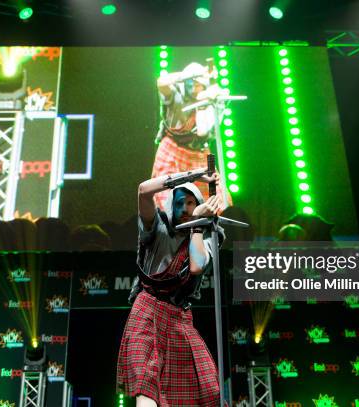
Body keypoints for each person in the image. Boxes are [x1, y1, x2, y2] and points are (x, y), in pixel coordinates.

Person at [117, 167, 224, 407]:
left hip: (179, 319)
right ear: (171, 207)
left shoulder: (208, 237)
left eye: (190, 203)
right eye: (179, 203)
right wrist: (195, 175)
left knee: (207, 390)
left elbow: (196, 266)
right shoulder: (157, 229)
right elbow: (143, 190)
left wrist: (197, 223)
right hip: (146, 311)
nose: (185, 209)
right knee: (146, 384)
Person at [152, 61, 232, 212]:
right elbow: (161, 82)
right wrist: (189, 75)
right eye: (192, 83)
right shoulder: (175, 94)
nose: (196, 87)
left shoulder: (211, 100)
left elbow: (202, 131)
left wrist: (205, 102)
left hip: (199, 152)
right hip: (172, 150)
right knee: (167, 200)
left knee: (217, 199)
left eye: (199, 84)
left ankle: (212, 232)